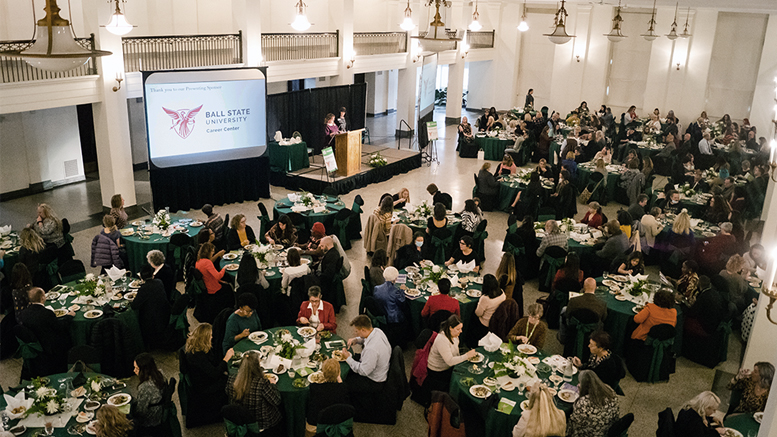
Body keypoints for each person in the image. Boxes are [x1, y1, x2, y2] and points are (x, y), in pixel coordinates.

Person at [183, 323, 232, 426]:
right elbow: (214, 374)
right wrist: (226, 359)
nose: (212, 337)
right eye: (210, 336)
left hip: (201, 378)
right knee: (231, 381)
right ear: (204, 338)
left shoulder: (194, 346)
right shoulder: (198, 356)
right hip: (204, 385)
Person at [18, 287, 74, 374]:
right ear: (42, 298)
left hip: (36, 344)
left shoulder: (24, 313)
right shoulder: (47, 313)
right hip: (50, 346)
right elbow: (61, 327)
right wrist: (69, 316)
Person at [226, 350, 282, 435]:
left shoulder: (231, 379)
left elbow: (227, 392)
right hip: (262, 423)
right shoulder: (261, 383)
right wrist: (273, 385)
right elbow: (277, 401)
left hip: (240, 420)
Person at [425, 315, 478, 396]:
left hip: (447, 367)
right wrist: (467, 355)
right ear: (450, 328)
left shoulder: (455, 336)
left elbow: (456, 354)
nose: (461, 331)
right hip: (438, 371)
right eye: (458, 329)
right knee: (464, 380)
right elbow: (450, 361)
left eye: (461, 328)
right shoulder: (442, 340)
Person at [341, 315, 392, 393]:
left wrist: (348, 358)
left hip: (374, 381)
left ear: (363, 330)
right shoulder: (377, 331)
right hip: (379, 368)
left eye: (356, 331)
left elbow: (363, 371)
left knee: (345, 384)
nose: (354, 333)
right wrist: (356, 340)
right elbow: (366, 338)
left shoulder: (371, 349)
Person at [566, 370, 620, 437]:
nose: (578, 384)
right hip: (606, 430)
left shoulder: (584, 403)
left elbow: (573, 426)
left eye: (580, 382)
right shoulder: (609, 390)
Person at [132, 266, 171, 350]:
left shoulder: (144, 289)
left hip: (152, 321)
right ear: (153, 274)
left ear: (141, 277)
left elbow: (134, 305)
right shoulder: (159, 282)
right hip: (164, 314)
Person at [306, 358, 349, 434]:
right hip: (335, 419)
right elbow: (342, 386)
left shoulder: (314, 387)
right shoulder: (343, 388)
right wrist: (338, 377)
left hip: (316, 421)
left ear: (323, 373)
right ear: (339, 372)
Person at [132, 353, 166, 435]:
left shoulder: (145, 387)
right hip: (161, 411)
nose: (134, 371)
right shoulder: (161, 374)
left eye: (137, 368)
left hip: (151, 420)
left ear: (144, 370)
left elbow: (141, 411)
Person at [471, 274, 505, 345]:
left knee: (471, 315)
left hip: (485, 323)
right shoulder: (502, 293)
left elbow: (478, 313)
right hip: (496, 321)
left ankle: (470, 342)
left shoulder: (485, 298)